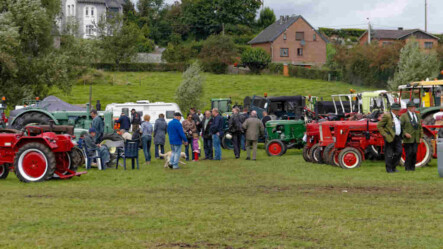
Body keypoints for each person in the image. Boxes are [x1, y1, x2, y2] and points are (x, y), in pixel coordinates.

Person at [377, 103, 403, 173]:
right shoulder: (387, 116)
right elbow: (379, 125)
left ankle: (393, 167)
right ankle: (389, 169)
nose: (399, 111)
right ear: (394, 110)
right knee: (389, 154)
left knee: (399, 152)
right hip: (389, 137)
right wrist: (384, 134)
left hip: (397, 137)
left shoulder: (398, 116)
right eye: (398, 110)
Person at [401, 102, 423, 171]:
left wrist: (421, 137)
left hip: (416, 138)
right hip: (408, 138)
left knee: (414, 153)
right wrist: (405, 133)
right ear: (408, 108)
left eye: (414, 107)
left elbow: (420, 127)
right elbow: (400, 127)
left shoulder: (417, 115)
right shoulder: (404, 116)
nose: (414, 108)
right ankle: (407, 168)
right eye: (412, 107)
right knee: (409, 153)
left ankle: (412, 168)